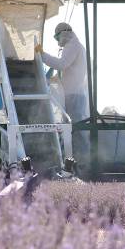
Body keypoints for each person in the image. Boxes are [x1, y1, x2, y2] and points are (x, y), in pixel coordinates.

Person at [35, 22, 89, 164]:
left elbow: (61, 64)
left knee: (76, 130)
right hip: (73, 94)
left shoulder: (72, 45)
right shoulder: (75, 45)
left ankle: (84, 162)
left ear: (63, 33)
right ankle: (75, 162)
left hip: (74, 96)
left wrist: (42, 55)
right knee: (72, 130)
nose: (58, 41)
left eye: (57, 37)